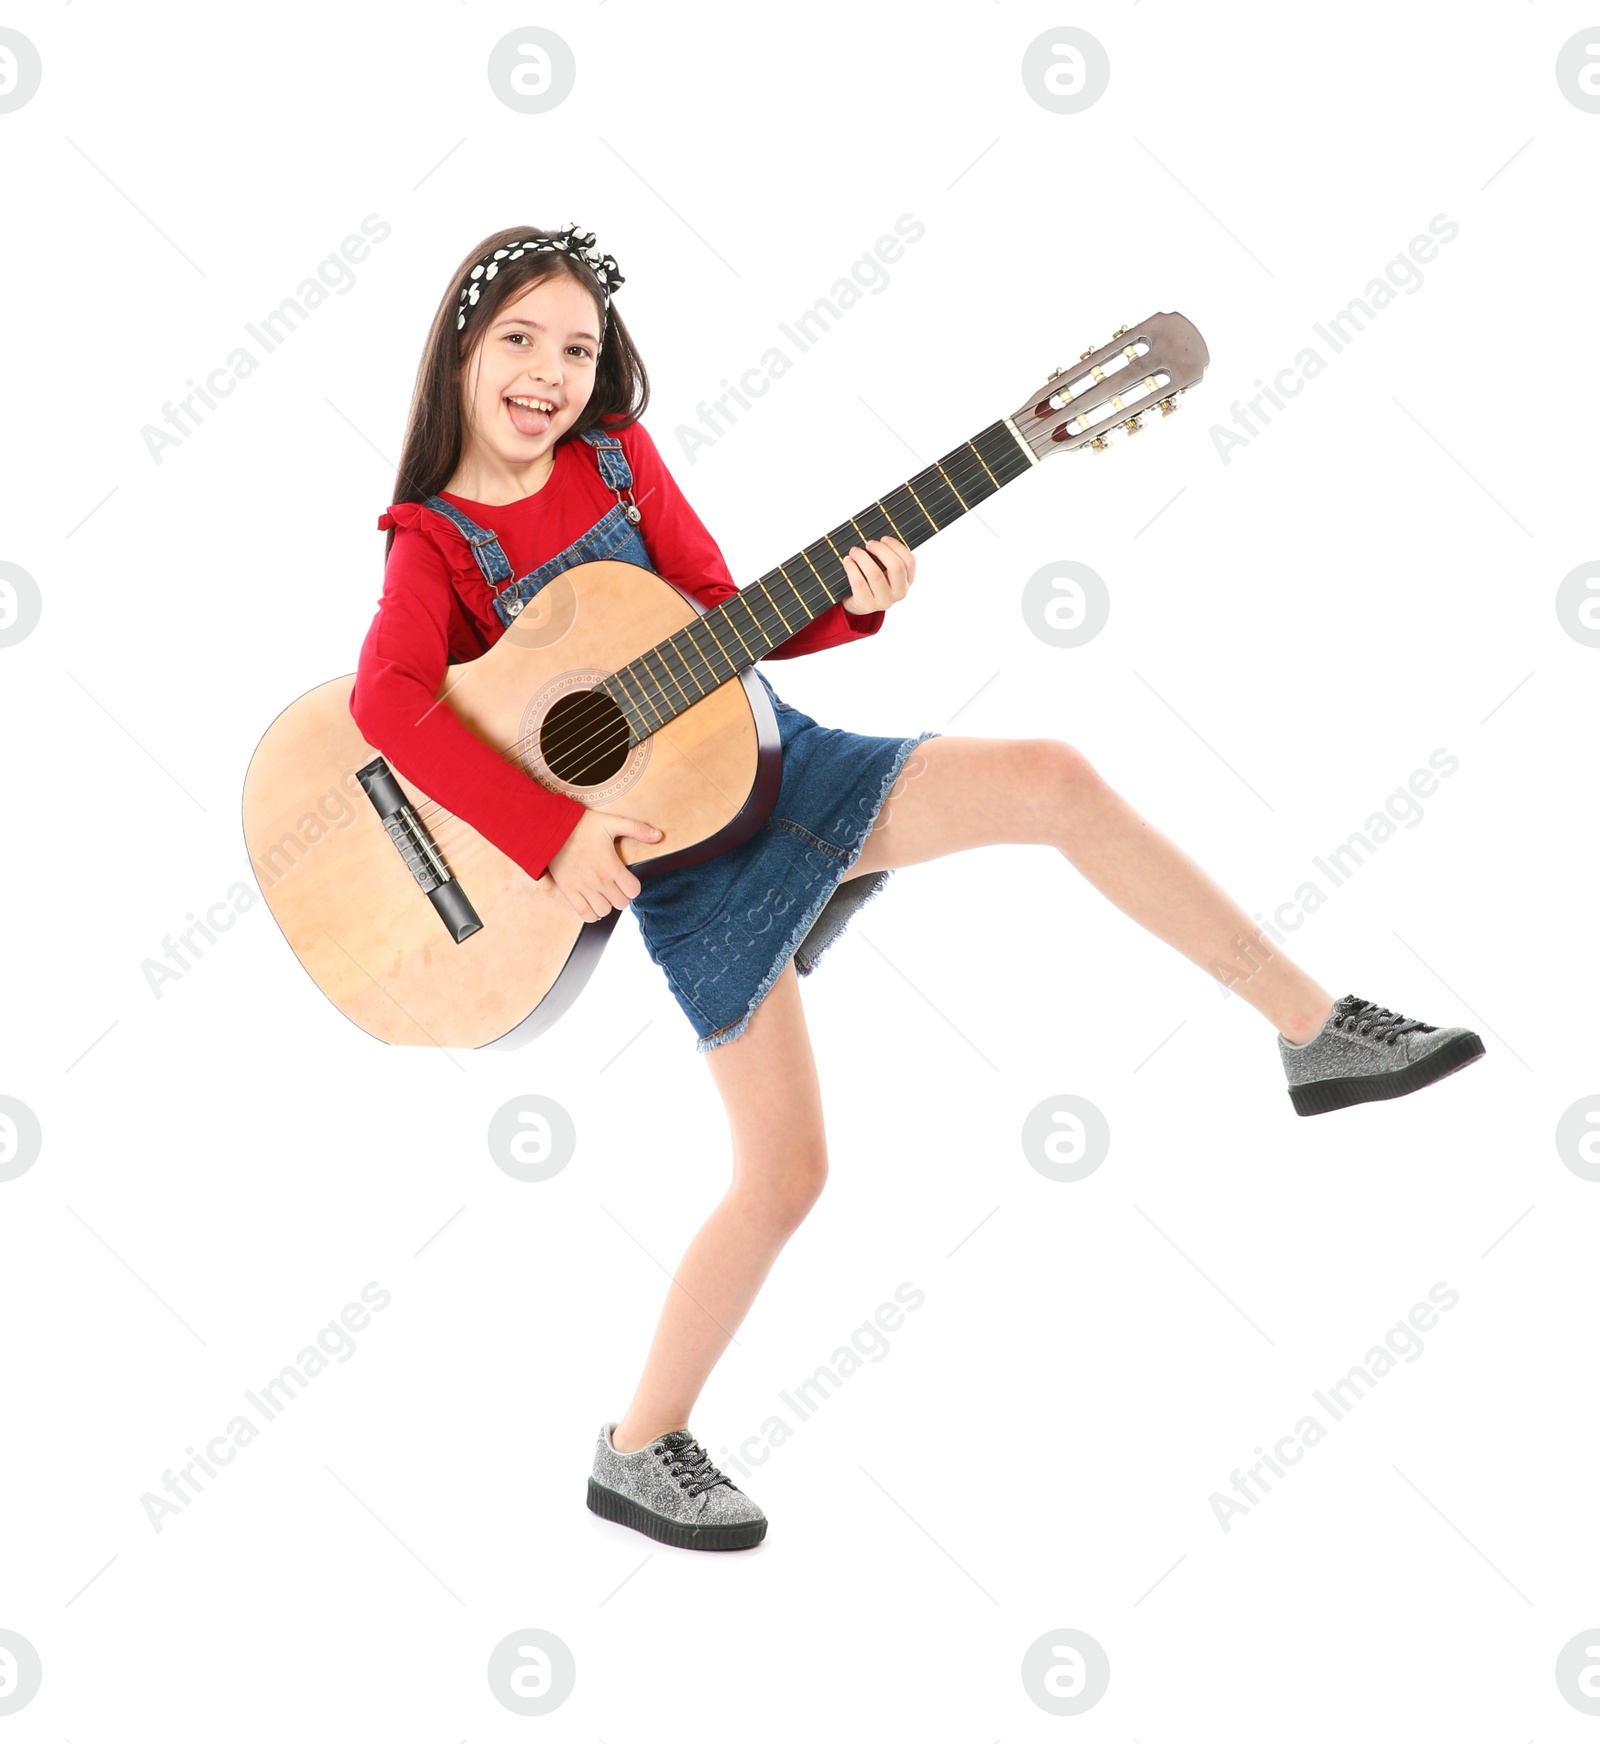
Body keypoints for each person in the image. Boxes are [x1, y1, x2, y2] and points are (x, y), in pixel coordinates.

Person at [350, 224, 1486, 1555]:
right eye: (522, 343)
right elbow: (386, 704)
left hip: (793, 768)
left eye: (580, 348)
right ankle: (638, 1450)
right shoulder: (432, 543)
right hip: (688, 876)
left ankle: (1314, 1032)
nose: (550, 373)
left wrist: (857, 602)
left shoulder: (619, 460)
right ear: (463, 355)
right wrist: (551, 833)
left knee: (1054, 777)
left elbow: (717, 608)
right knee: (786, 1177)